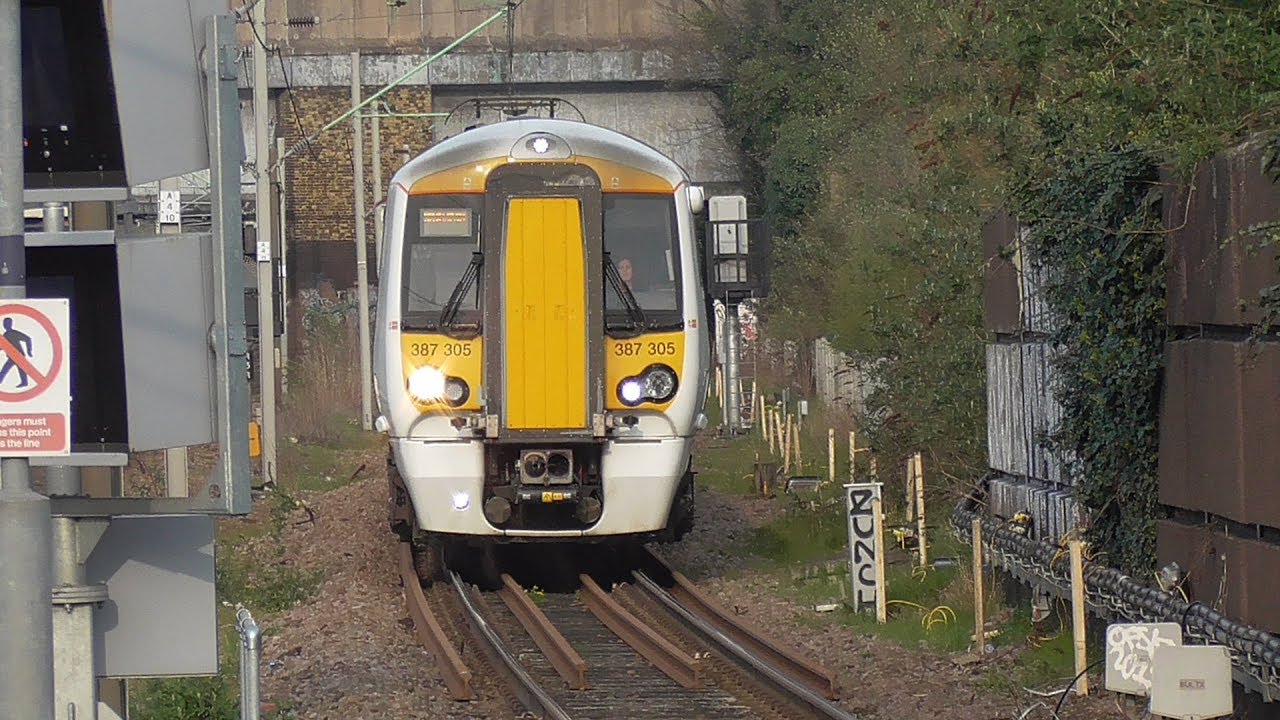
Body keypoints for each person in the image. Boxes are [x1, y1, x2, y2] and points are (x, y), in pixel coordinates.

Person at [0, 318, 33, 388]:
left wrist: (29, 351)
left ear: (11, 324)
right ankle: (24, 382)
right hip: (11, 356)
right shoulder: (5, 335)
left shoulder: (15, 333)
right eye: (4, 323)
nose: (5, 325)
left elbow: (28, 339)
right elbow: (3, 346)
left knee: (19, 369)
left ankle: (24, 382)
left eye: (7, 323)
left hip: (19, 356)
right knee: (6, 369)